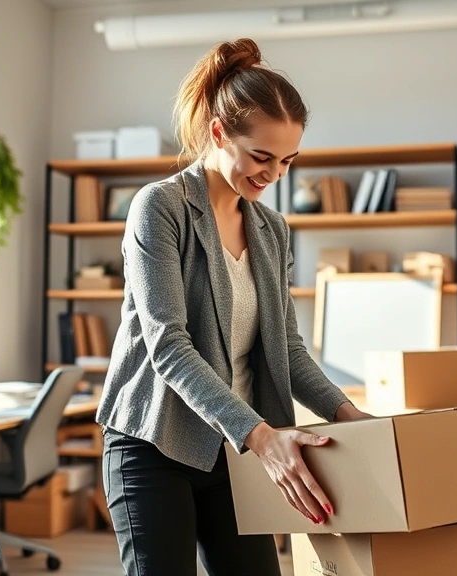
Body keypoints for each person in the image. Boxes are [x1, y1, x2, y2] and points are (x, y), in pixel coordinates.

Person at [95, 37, 372, 576]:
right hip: (154, 444)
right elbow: (169, 348)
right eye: (261, 156)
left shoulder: (271, 229)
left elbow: (285, 350)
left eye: (288, 160)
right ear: (219, 133)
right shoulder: (161, 208)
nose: (274, 175)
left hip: (233, 447)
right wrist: (263, 438)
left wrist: (350, 417)